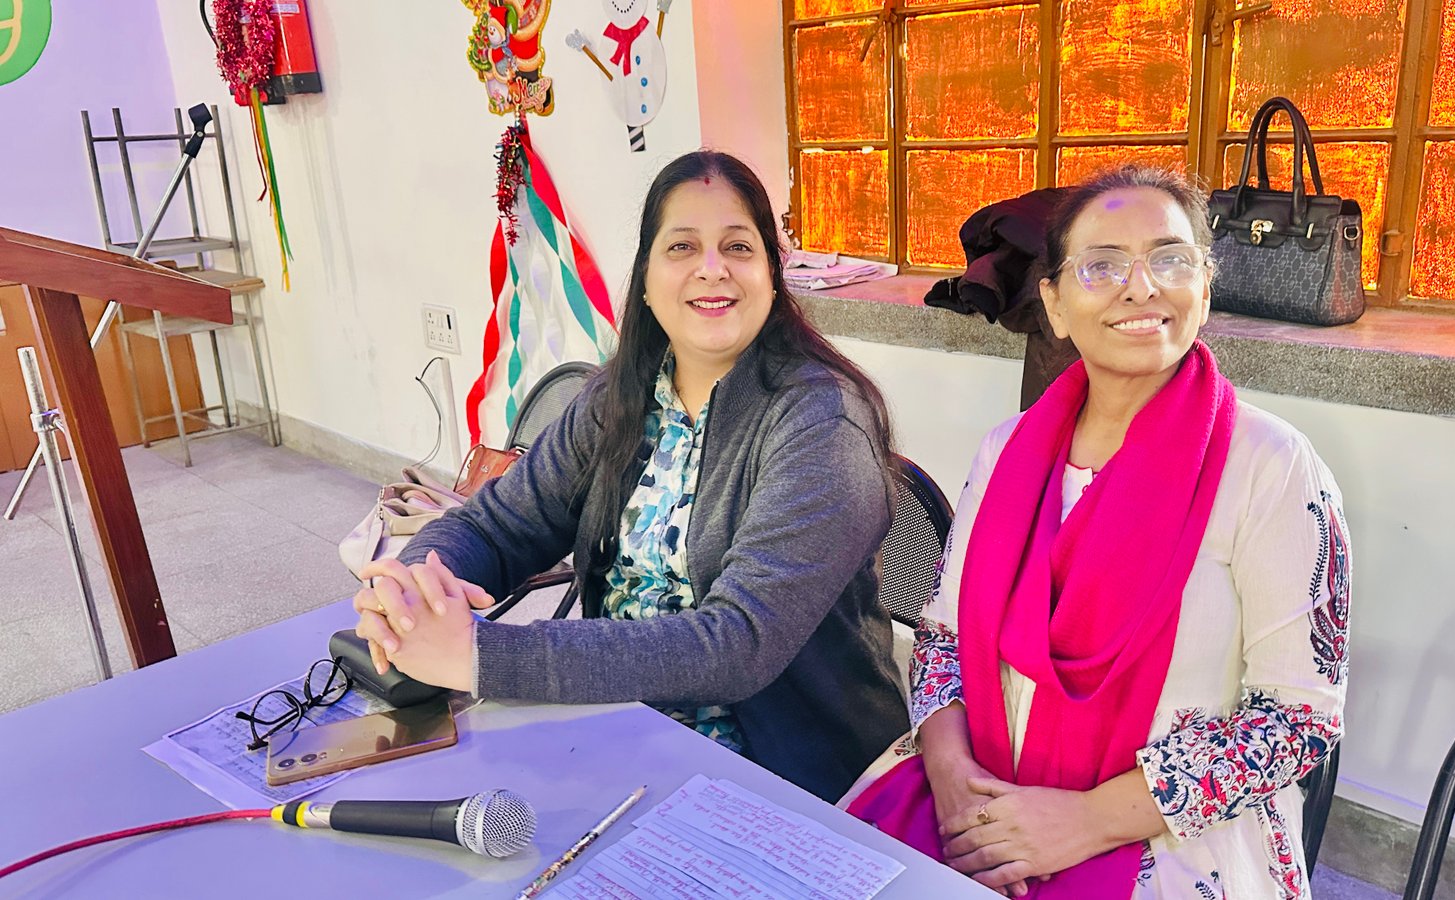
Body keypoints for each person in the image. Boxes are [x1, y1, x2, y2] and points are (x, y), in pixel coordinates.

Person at [844, 165, 1351, 899]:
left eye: (1170, 260)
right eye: (1102, 265)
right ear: (1053, 303)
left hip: (1166, 835)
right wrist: (953, 780)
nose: (1140, 288)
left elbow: (1299, 719)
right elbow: (944, 639)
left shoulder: (1271, 467)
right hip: (981, 792)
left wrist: (1085, 821)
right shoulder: (1007, 452)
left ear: (1205, 290)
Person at [352, 150, 908, 803]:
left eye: (738, 246)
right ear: (646, 276)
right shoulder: (618, 397)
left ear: (771, 275)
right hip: (623, 734)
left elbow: (738, 644)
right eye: (682, 246)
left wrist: (479, 656)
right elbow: (496, 526)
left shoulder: (821, 422)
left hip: (783, 777)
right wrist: (411, 593)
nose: (712, 268)